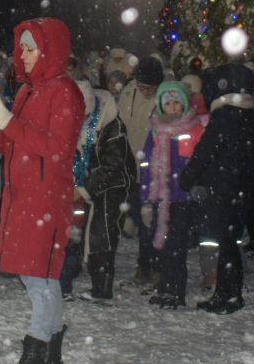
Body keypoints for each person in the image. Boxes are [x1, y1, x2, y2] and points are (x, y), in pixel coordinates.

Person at [0, 17, 83, 364]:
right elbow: (21, 142)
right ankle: (51, 356)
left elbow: (57, 148)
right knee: (38, 276)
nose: (21, 54)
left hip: (45, 198)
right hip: (23, 195)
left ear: (47, 51)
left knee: (40, 278)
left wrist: (9, 122)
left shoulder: (65, 92)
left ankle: (37, 353)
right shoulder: (27, 91)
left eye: (28, 47)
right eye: (21, 47)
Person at [181, 63, 254, 314]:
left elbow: (204, 153)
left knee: (226, 244)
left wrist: (187, 178)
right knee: (230, 242)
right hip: (239, 191)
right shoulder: (250, 119)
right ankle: (227, 292)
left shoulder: (223, 119)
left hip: (220, 189)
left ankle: (229, 294)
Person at [141, 80, 207, 309]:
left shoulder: (194, 129)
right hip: (161, 198)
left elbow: (200, 163)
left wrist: (198, 187)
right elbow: (147, 166)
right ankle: (165, 286)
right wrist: (146, 198)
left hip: (182, 198)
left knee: (176, 246)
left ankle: (175, 290)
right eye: (167, 103)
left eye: (176, 103)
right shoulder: (156, 132)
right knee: (161, 246)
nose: (172, 108)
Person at [72, 79, 134, 301]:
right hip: (91, 185)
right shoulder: (75, 122)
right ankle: (95, 283)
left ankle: (102, 288)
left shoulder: (112, 126)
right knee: (87, 233)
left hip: (114, 186)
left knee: (103, 234)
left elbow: (112, 165)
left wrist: (85, 189)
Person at [119, 56, 164, 285]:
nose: (146, 91)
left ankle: (154, 266)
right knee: (138, 219)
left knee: (153, 223)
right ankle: (144, 265)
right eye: (143, 86)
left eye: (151, 88)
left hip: (153, 172)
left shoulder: (165, 99)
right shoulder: (128, 94)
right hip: (130, 168)